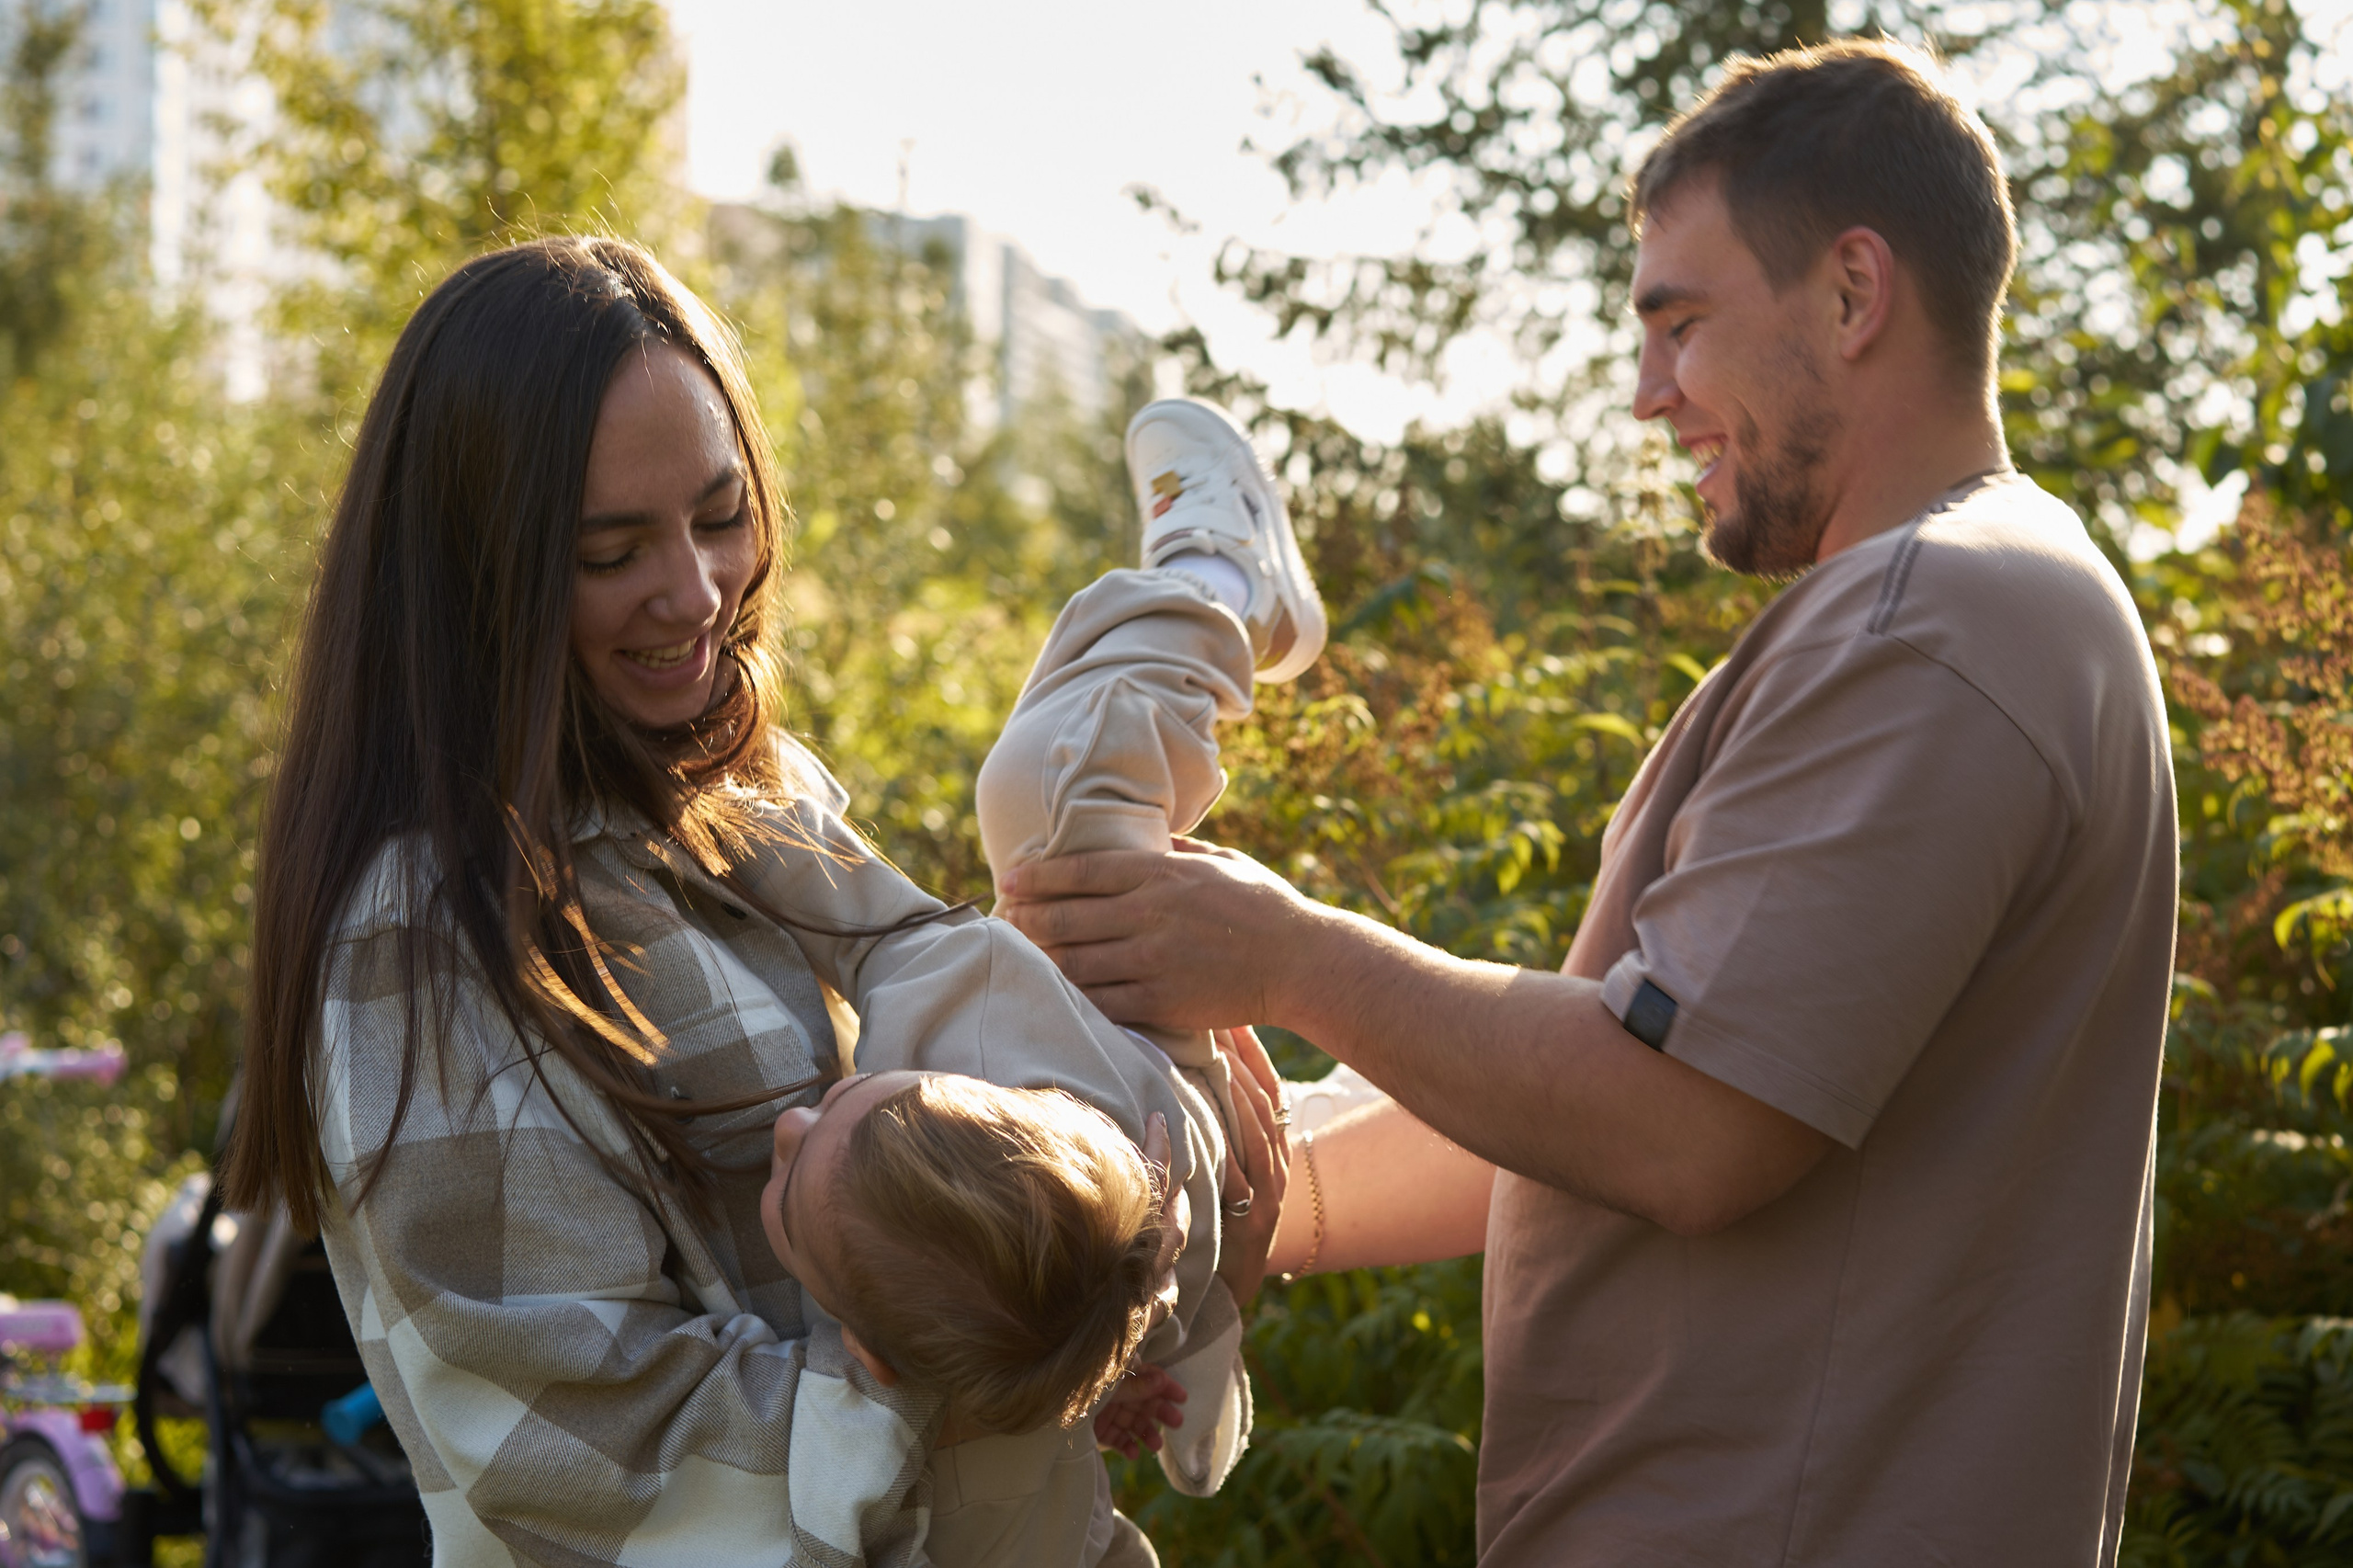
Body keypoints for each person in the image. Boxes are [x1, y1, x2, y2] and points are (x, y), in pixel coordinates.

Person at [1000, 40, 2177, 1564]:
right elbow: (1590, 1113)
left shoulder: (1930, 627)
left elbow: (1681, 1129)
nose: (1646, 395)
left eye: (1680, 325)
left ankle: (1209, 588)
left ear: (1852, 293)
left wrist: (1285, 955)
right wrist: (1203, 1221)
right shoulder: (1963, 605)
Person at [219, 235, 1286, 1568]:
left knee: (1050, 901)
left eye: (721, 517)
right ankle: (1206, 594)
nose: (696, 591)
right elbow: (592, 1458)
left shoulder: (732, 791)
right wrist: (1025, 1349)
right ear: (474, 573)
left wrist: (1099, 1275)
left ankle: (1208, 596)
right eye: (611, 551)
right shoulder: (428, 936)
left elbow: (938, 1057)